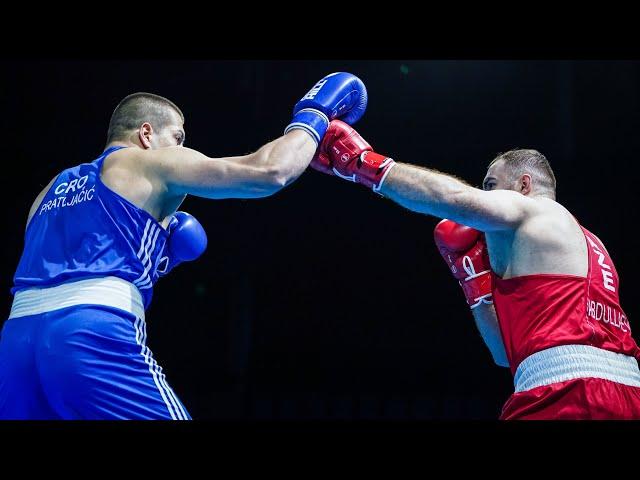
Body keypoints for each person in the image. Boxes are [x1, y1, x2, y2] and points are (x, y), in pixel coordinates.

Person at [0, 72, 368, 420]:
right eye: (178, 137)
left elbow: (71, 270)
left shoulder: (51, 189)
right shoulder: (149, 161)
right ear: (147, 133)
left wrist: (160, 259)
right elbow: (269, 172)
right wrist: (313, 117)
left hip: (17, 344)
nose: (183, 147)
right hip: (90, 333)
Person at [310, 119, 640, 419]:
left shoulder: (532, 209)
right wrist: (476, 284)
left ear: (523, 185)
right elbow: (503, 354)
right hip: (625, 393)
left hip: (567, 395)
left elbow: (454, 197)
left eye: (490, 185)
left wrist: (362, 164)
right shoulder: (593, 245)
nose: (486, 196)